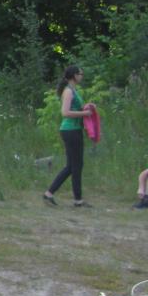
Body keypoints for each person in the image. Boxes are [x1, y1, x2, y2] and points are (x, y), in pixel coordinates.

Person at [43, 65, 94, 208]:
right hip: (70, 130)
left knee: (74, 166)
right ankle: (75, 200)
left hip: (75, 129)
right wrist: (84, 114)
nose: (82, 76)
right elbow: (65, 112)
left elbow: (76, 109)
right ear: (74, 76)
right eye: (80, 73)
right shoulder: (68, 92)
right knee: (74, 166)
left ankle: (51, 194)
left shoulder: (73, 90)